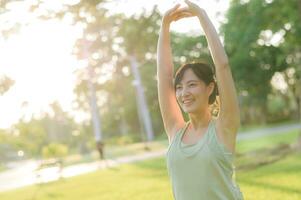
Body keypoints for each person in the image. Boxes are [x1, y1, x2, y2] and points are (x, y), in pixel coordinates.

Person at [156, 1, 244, 199]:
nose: (184, 92)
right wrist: (165, 25)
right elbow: (163, 76)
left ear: (210, 87)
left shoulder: (224, 127)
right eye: (179, 87)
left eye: (192, 84)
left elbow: (222, 65)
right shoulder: (175, 131)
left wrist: (202, 15)